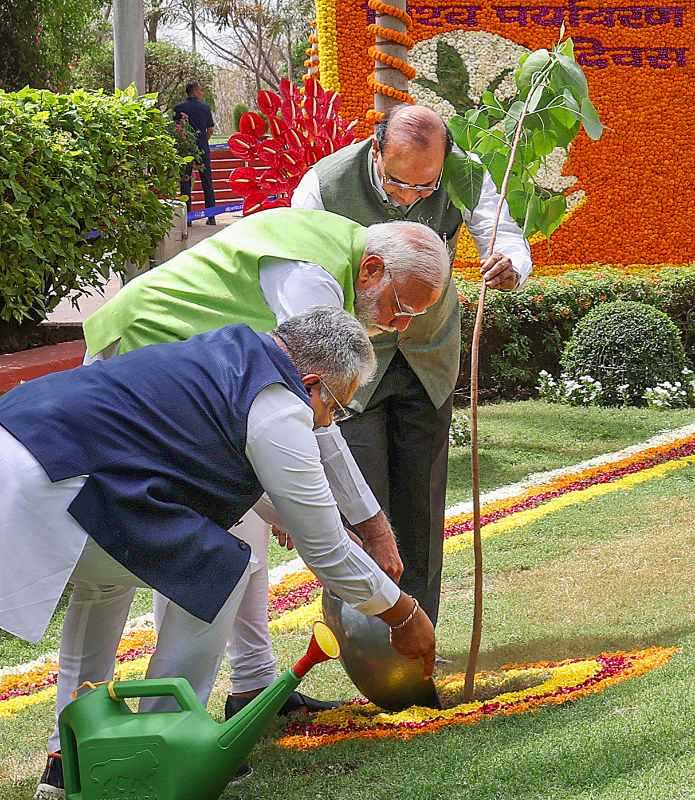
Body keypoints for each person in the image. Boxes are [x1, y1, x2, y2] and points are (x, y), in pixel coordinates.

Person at [0, 308, 436, 800]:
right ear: (311, 381)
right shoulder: (277, 401)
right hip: (51, 480)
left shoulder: (231, 351)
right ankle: (161, 745)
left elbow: (206, 457)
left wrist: (295, 517)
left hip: (24, 447)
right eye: (335, 407)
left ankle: (71, 755)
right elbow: (327, 552)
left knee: (107, 583)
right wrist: (403, 613)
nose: (327, 421)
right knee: (220, 571)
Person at [80, 207, 449, 725]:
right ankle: (161, 730)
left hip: (187, 381)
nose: (399, 324)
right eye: (400, 305)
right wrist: (372, 527)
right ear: (371, 270)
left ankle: (249, 689)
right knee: (182, 557)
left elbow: (308, 411)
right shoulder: (312, 280)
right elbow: (318, 417)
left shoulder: (337, 255)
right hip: (147, 360)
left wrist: (284, 504)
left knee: (233, 541)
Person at [290, 103, 532, 640]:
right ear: (376, 151)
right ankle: (360, 644)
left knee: (421, 509)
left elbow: (504, 234)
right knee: (360, 505)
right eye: (399, 184)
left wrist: (511, 262)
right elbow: (301, 284)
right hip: (349, 370)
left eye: (426, 190)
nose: (410, 199)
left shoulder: (464, 173)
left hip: (429, 361)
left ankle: (419, 640)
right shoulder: (323, 186)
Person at [173, 81, 217, 226]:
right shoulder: (205, 108)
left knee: (185, 182)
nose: (202, 93)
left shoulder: (179, 108)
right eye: (200, 90)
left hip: (186, 149)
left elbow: (176, 128)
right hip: (202, 148)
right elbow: (210, 130)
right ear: (195, 91)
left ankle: (188, 218)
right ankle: (211, 217)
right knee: (207, 182)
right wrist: (203, 140)